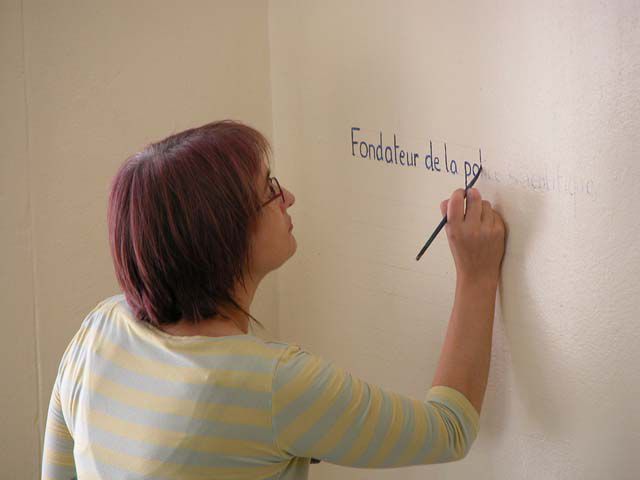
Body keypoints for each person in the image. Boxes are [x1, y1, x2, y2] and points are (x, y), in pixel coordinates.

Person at [41, 119, 506, 479]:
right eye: (269, 189)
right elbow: (448, 430)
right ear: (223, 234)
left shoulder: (98, 330)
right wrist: (477, 275)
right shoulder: (273, 385)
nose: (289, 197)